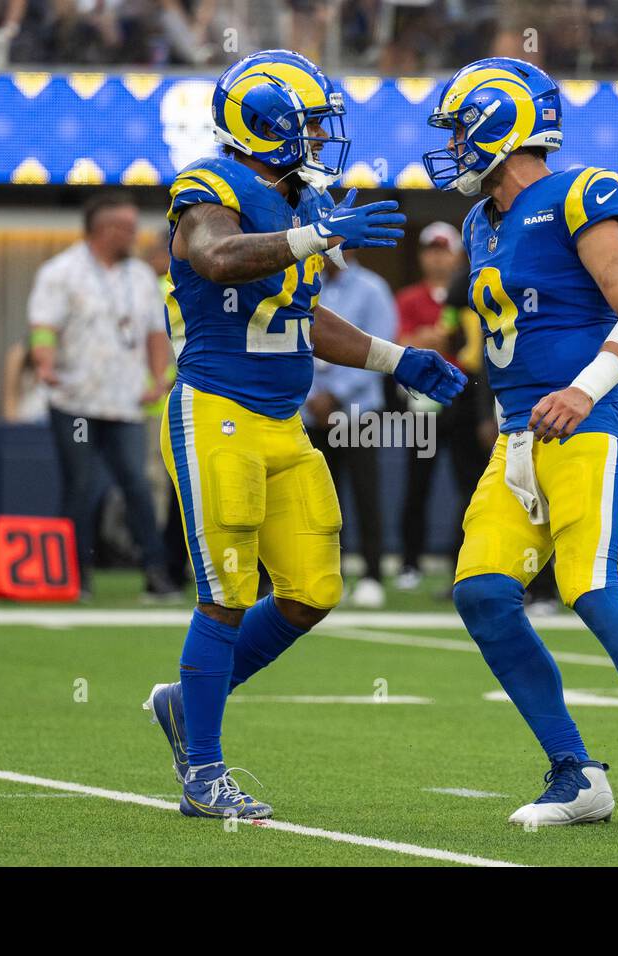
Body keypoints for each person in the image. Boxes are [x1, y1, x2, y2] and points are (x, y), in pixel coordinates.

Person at [142, 50, 464, 820]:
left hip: (283, 425)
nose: (322, 138)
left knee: (313, 591)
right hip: (215, 414)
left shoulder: (295, 207)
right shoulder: (209, 186)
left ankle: (187, 704)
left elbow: (297, 317)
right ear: (267, 123)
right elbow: (218, 257)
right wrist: (313, 236)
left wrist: (398, 358)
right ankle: (206, 773)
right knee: (224, 595)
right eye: (312, 124)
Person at [423, 57, 618, 830]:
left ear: (502, 124)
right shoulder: (478, 221)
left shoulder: (581, 191)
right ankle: (576, 773)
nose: (456, 145)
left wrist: (584, 387)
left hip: (589, 425)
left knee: (593, 590)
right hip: (515, 436)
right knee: (482, 592)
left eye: (464, 128)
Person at [27, 191, 173, 600]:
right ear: (104, 230)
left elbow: (154, 332)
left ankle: (156, 572)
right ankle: (73, 574)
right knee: (81, 485)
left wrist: (158, 376)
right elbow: (43, 327)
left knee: (138, 485)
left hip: (126, 401)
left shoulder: (141, 277)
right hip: (75, 400)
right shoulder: (62, 272)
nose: (135, 235)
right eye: (127, 228)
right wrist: (44, 363)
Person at [393, 221, 485, 593]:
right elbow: (404, 342)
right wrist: (431, 339)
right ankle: (409, 562)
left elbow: (446, 338)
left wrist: (430, 339)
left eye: (444, 249)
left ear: (457, 254)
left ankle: (461, 562)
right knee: (417, 483)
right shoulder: (409, 298)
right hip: (425, 396)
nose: (437, 257)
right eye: (431, 249)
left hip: (464, 394)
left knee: (470, 483)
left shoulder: (470, 290)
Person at [303, 251, 398, 608]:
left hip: (358, 411)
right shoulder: (306, 287)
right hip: (311, 410)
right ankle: (328, 574)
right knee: (319, 499)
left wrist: (336, 394)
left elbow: (381, 351)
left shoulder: (373, 289)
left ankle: (372, 574)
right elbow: (295, 344)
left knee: (365, 494)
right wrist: (313, 395)